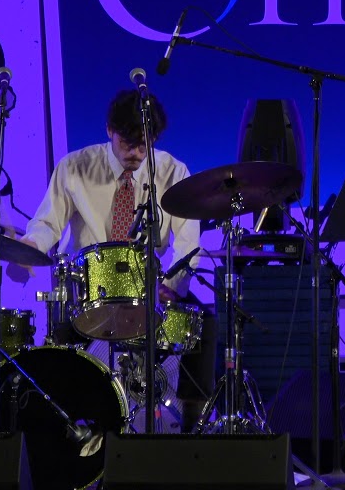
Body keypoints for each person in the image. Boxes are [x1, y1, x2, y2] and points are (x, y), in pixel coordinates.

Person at [21, 88, 214, 430]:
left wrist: (173, 285)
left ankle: (190, 428)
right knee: (63, 346)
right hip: (88, 289)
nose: (137, 153)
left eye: (145, 144)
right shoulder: (75, 166)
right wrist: (29, 246)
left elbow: (188, 242)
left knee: (204, 326)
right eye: (129, 143)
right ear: (110, 130)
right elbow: (48, 223)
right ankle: (69, 427)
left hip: (147, 288)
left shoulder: (172, 172)